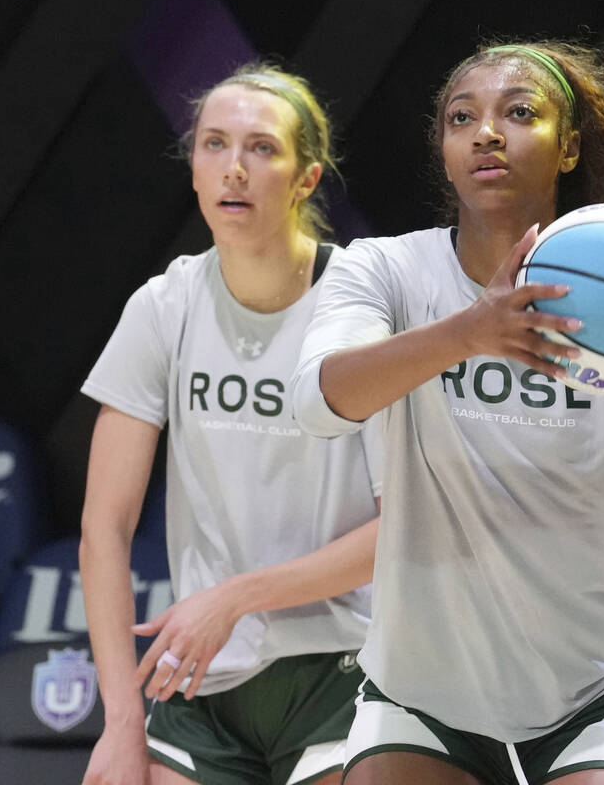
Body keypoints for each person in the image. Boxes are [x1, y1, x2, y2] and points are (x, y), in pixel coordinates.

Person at [290, 41, 604, 785]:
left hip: (593, 695)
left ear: (569, 146)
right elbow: (319, 403)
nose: (487, 132)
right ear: (445, 149)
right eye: (463, 117)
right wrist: (466, 334)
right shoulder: (387, 271)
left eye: (519, 113)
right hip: (422, 698)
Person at [78, 62, 382, 785]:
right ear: (192, 167)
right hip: (203, 676)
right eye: (214, 145)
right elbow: (104, 528)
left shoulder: (364, 308)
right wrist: (122, 726)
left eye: (261, 148)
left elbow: (406, 526)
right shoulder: (163, 306)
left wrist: (238, 595)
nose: (233, 169)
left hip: (346, 665)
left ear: (307, 178)